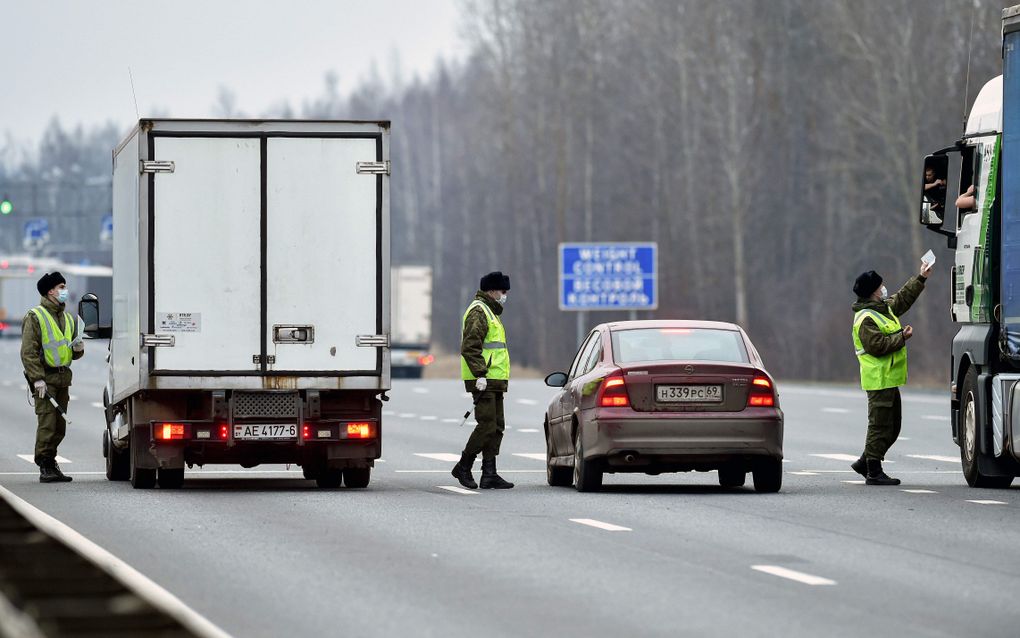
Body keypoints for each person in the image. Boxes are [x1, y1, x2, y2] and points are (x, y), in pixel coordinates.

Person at [850, 262, 933, 485]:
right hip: (878, 380)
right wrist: (902, 338)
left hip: (889, 379)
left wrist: (921, 277)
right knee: (880, 426)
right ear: (873, 291)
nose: (884, 289)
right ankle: (873, 471)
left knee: (893, 427)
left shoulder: (881, 308)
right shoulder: (866, 318)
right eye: (880, 286)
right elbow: (876, 345)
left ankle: (864, 462)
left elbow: (902, 299)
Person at [451, 271, 514, 490]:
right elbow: (470, 347)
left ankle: (489, 473)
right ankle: (463, 466)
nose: (505, 295)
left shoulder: (492, 313)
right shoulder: (479, 312)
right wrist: (479, 374)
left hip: (494, 379)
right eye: (503, 291)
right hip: (483, 379)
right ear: (491, 290)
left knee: (497, 426)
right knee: (486, 425)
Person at [21, 272, 83, 483]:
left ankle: (51, 462)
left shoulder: (66, 317)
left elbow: (70, 351)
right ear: (50, 291)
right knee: (47, 424)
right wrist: (37, 379)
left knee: (59, 426)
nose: (65, 290)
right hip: (45, 381)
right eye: (61, 286)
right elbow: (28, 351)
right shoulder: (35, 316)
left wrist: (78, 349)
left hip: (63, 378)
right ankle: (45, 465)